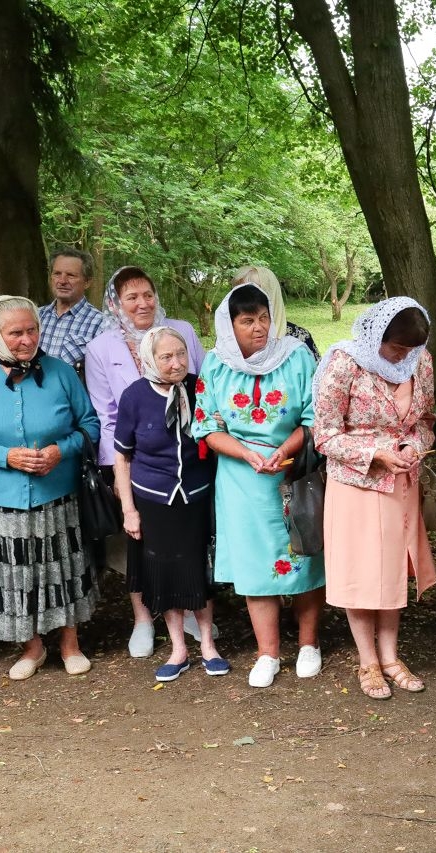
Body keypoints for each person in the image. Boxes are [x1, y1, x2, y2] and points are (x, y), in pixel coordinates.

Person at [0, 296, 101, 680]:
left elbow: (91, 425)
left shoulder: (61, 372)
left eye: (32, 330)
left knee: (63, 568)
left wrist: (59, 451)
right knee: (19, 574)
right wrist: (5, 457)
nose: (26, 340)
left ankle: (70, 645)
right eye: (16, 333)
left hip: (58, 494)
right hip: (4, 498)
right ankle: (31, 648)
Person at [193, 284, 325, 687]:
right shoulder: (215, 364)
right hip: (240, 480)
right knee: (254, 566)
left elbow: (314, 414)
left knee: (305, 558)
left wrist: (283, 450)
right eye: (247, 321)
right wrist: (247, 454)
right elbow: (206, 427)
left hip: (291, 474)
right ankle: (268, 653)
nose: (258, 328)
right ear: (229, 324)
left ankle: (308, 644)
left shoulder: (297, 357)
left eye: (263, 318)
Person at [313, 298, 436, 700]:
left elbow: (426, 422)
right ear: (376, 335)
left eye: (409, 351)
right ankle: (367, 660)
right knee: (363, 572)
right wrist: (376, 455)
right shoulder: (344, 364)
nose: (403, 358)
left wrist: (413, 447)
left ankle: (391, 656)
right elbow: (325, 435)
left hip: (401, 482)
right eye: (396, 349)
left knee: (392, 571)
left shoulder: (421, 362)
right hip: (358, 485)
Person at [85, 266, 205, 658]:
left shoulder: (181, 331)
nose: (142, 303)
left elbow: (201, 384)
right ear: (115, 303)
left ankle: (188, 610)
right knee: (139, 543)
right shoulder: (101, 347)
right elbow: (105, 412)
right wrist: (121, 475)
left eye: (148, 294)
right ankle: (142, 617)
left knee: (185, 540)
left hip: (182, 457)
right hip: (129, 457)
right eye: (131, 297)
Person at [112, 327, 226, 682]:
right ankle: (178, 649)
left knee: (197, 568)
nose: (176, 363)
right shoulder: (135, 396)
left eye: (181, 354)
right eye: (166, 357)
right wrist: (129, 510)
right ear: (150, 359)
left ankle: (208, 644)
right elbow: (122, 457)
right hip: (154, 498)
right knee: (164, 573)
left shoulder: (199, 386)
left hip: (196, 493)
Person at [232, 265, 321, 359]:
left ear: (271, 294)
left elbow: (319, 373)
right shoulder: (229, 335)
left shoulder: (300, 338)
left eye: (249, 293)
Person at [39, 247, 105, 371]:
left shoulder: (100, 324)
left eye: (71, 275)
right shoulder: (36, 316)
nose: (62, 281)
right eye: (57, 274)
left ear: (87, 282)